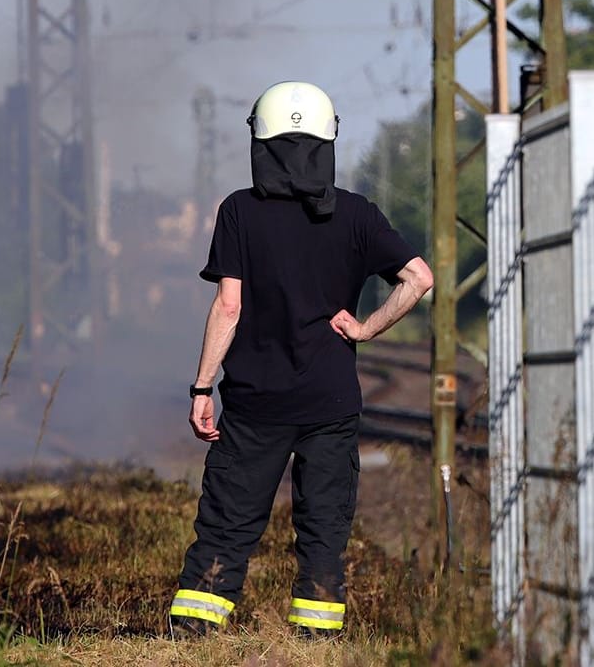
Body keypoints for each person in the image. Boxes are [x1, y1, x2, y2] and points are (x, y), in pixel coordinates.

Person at [168, 81, 434, 638]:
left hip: (254, 404)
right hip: (330, 403)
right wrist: (367, 328)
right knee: (323, 529)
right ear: (327, 141)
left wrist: (201, 387)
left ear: (260, 143)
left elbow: (229, 305)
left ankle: (193, 635)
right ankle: (316, 639)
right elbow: (419, 279)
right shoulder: (358, 215)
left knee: (226, 525)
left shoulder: (239, 211)